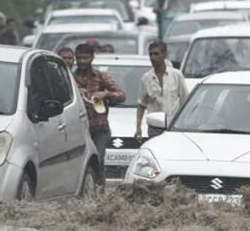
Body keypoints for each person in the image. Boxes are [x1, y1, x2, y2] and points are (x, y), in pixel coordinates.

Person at [72, 43, 126, 176]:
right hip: (78, 128)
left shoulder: (102, 77)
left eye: (85, 58)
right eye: (79, 58)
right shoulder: (70, 78)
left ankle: (99, 190)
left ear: (92, 58)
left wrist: (106, 94)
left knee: (98, 160)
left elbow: (121, 95)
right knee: (79, 164)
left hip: (99, 127)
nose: (82, 62)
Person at [135, 41, 189, 141]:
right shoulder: (146, 78)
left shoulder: (176, 75)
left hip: (173, 127)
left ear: (164, 54)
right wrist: (138, 127)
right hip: (154, 128)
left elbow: (185, 101)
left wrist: (184, 124)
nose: (152, 58)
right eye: (150, 54)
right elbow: (141, 104)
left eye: (156, 54)